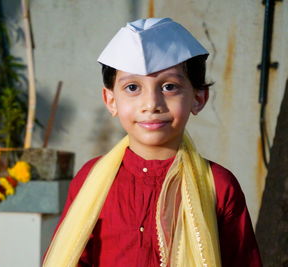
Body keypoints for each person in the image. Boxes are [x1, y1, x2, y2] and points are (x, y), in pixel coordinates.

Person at [43, 18, 262, 267]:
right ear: (111, 100)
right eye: (133, 87)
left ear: (199, 98)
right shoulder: (90, 179)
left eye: (169, 86)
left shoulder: (218, 185)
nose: (151, 104)